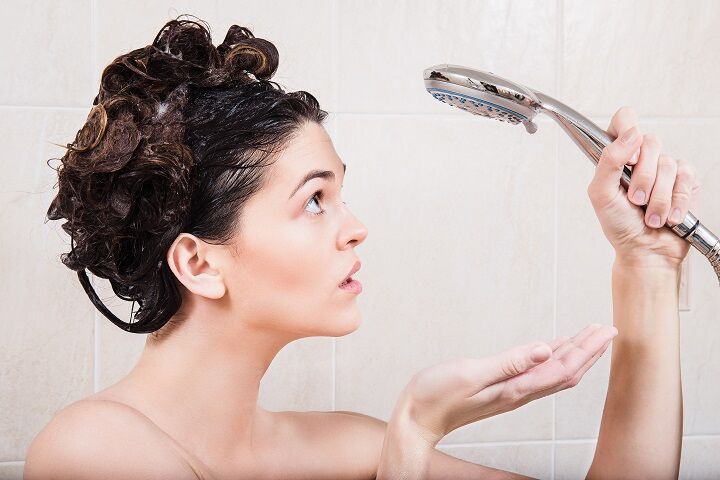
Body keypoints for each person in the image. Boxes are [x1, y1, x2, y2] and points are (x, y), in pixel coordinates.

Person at [24, 16, 696, 480]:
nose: (355, 227)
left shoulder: (340, 445)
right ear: (200, 263)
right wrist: (410, 436)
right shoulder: (93, 452)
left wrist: (646, 264)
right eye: (315, 200)